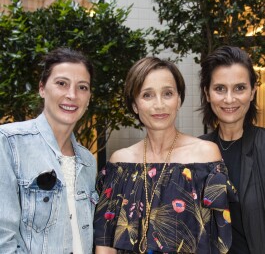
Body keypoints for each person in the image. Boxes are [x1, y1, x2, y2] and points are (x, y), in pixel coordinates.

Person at [94, 56, 237, 254]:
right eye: (147, 95)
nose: (159, 104)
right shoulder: (120, 164)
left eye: (167, 93)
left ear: (179, 99)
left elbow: (218, 239)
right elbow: (105, 241)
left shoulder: (205, 156)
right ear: (135, 105)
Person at [199, 45, 265, 254]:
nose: (229, 99)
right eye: (220, 89)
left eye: (239, 88)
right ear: (207, 94)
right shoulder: (197, 150)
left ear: (253, 91)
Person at [0, 48, 98, 253]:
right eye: (62, 83)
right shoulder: (9, 143)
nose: (72, 95)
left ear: (89, 98)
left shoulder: (88, 161)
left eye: (82, 87)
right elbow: (3, 238)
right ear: (42, 88)